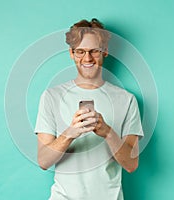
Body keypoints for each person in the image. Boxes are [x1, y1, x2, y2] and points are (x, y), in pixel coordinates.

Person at [35, 18, 144, 200]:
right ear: (71, 53)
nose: (87, 58)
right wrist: (71, 132)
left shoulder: (126, 100)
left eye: (94, 51)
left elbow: (131, 164)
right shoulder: (51, 97)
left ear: (105, 51)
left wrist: (108, 132)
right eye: (80, 51)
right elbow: (43, 161)